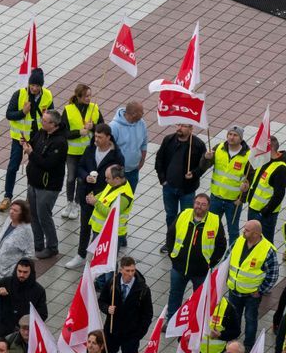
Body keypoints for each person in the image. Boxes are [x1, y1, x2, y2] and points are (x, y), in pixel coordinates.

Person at [67, 124, 125, 267]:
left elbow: (119, 181)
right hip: (87, 195)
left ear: (108, 138)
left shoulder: (117, 156)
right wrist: (86, 176)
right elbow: (80, 167)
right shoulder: (90, 149)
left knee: (100, 231)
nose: (96, 139)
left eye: (100, 137)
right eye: (96, 136)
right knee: (85, 226)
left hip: (104, 199)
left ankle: (96, 259)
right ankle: (81, 255)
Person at [2, 67, 53, 211]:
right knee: (13, 166)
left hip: (37, 139)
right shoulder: (19, 94)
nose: (34, 88)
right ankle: (7, 196)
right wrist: (22, 112)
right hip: (20, 138)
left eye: (37, 86)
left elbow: (52, 114)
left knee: (33, 168)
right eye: (32, 85)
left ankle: (30, 198)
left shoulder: (47, 95)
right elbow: (9, 114)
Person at [166, 193, 225, 318]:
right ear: (194, 203)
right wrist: (173, 255)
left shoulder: (215, 221)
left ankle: (194, 322)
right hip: (179, 268)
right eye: (197, 203)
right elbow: (170, 235)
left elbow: (221, 246)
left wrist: (211, 263)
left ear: (208, 207)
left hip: (201, 271)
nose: (199, 206)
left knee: (199, 299)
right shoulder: (184, 214)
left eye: (203, 204)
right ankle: (171, 320)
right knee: (175, 295)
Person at [225, 220, 278, 351]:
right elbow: (227, 259)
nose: (243, 231)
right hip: (234, 291)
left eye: (247, 230)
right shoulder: (239, 241)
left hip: (251, 295)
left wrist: (261, 291)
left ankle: (248, 346)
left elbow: (273, 274)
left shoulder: (267, 250)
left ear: (256, 234)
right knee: (233, 318)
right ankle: (233, 343)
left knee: (250, 320)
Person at [154, 123, 207, 253]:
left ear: (191, 129)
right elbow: (159, 160)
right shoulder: (169, 140)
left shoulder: (198, 144)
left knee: (187, 217)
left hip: (187, 190)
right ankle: (170, 242)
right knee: (170, 216)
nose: (179, 128)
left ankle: (185, 243)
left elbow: (203, 165)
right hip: (169, 187)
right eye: (178, 125)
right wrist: (163, 180)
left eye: (183, 126)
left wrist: (194, 174)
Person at [26, 109, 67, 259]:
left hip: (48, 186)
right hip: (33, 182)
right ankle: (38, 244)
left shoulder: (60, 142)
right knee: (33, 214)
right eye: (42, 119)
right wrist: (26, 144)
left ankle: (52, 246)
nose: (41, 122)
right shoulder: (42, 132)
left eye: (44, 121)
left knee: (44, 216)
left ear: (54, 124)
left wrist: (31, 153)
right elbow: (33, 143)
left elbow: (48, 164)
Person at [203, 125, 255, 243]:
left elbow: (251, 179)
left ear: (241, 139)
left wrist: (242, 199)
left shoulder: (247, 156)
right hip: (216, 197)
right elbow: (204, 166)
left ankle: (232, 255)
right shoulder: (219, 148)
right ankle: (212, 250)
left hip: (233, 201)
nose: (231, 137)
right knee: (211, 227)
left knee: (233, 231)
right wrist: (206, 158)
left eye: (235, 135)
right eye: (230, 134)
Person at [96, 256, 153, 353]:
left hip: (131, 334)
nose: (130, 274)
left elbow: (147, 314)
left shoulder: (143, 289)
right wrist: (107, 308)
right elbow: (101, 301)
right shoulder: (112, 283)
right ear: (121, 270)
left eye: (133, 270)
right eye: (127, 271)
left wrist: (138, 334)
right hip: (112, 331)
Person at [0, 199, 34, 332]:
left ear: (23, 214)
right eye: (11, 209)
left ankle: (3, 325)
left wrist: (18, 268)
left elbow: (30, 254)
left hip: (11, 272)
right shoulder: (8, 221)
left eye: (15, 211)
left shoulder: (26, 230)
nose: (12, 212)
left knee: (7, 299)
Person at [62, 84, 102, 218]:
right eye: (86, 96)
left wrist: (93, 127)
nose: (89, 98)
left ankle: (78, 204)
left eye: (90, 95)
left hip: (88, 153)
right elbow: (63, 132)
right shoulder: (68, 110)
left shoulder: (94, 108)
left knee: (81, 179)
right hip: (72, 152)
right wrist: (79, 132)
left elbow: (103, 128)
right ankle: (69, 203)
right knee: (70, 178)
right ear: (78, 97)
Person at [0, 258, 47, 337]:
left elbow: (43, 314)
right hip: (3, 332)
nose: (21, 275)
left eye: (25, 272)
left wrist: (26, 322)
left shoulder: (39, 290)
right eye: (19, 271)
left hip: (24, 335)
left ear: (31, 272)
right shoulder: (6, 282)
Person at [246, 136, 286, 242]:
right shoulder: (265, 160)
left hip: (264, 215)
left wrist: (264, 212)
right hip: (253, 208)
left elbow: (279, 195)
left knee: (265, 242)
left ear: (271, 149)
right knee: (251, 240)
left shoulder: (281, 168)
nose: (259, 150)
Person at [88, 165, 133, 248]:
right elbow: (103, 195)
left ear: (117, 179)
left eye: (108, 178)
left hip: (111, 234)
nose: (106, 180)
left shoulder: (124, 197)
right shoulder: (113, 184)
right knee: (93, 258)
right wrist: (94, 198)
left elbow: (111, 214)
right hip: (101, 230)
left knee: (103, 260)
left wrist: (95, 203)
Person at [109, 101, 147, 191]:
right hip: (117, 172)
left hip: (134, 171)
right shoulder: (114, 127)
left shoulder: (142, 123)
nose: (143, 114)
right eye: (141, 112)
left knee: (129, 199)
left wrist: (142, 160)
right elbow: (109, 149)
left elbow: (144, 144)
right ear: (133, 114)